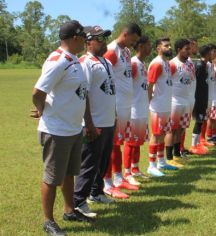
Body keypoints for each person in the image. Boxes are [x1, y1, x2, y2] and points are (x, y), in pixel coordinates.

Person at [31, 20, 93, 236]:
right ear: (75, 38)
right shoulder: (58, 61)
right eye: (83, 37)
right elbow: (38, 92)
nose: (86, 40)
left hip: (73, 128)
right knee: (52, 177)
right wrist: (42, 111)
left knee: (69, 173)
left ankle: (69, 210)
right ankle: (48, 221)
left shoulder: (73, 59)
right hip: (57, 131)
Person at [73, 25, 117, 218]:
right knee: (89, 163)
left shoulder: (105, 61)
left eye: (105, 38)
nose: (104, 42)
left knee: (103, 160)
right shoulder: (85, 62)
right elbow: (84, 94)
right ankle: (78, 201)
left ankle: (96, 192)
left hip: (108, 120)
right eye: (100, 39)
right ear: (88, 42)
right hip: (95, 122)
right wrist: (89, 123)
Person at [103, 23, 142, 196]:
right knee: (111, 145)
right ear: (125, 34)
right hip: (115, 105)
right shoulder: (111, 51)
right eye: (133, 39)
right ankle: (107, 182)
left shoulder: (125, 52)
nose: (134, 43)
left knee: (118, 143)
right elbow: (102, 78)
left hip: (126, 105)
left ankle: (119, 178)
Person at [125, 35, 152, 185]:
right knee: (131, 142)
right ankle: (127, 172)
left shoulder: (142, 64)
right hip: (133, 110)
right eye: (148, 45)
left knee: (138, 142)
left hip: (142, 108)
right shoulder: (133, 64)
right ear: (140, 46)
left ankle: (135, 169)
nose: (150, 48)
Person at [147, 37, 175, 177]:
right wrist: (149, 101)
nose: (169, 48)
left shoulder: (166, 63)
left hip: (166, 105)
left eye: (169, 45)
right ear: (158, 48)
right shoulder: (156, 63)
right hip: (158, 106)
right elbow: (150, 85)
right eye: (166, 46)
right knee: (156, 135)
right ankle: (151, 166)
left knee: (163, 134)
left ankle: (161, 162)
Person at [167, 38, 195, 166]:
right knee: (171, 130)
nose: (189, 51)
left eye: (189, 48)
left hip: (187, 101)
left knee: (181, 129)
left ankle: (177, 154)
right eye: (186, 49)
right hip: (175, 101)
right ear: (179, 50)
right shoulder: (172, 64)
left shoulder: (190, 63)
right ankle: (169, 157)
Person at [190, 45, 212, 154]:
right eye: (212, 52)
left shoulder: (205, 65)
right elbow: (196, 83)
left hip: (203, 97)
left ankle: (198, 144)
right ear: (207, 53)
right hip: (198, 98)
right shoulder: (199, 65)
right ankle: (194, 145)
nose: (213, 54)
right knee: (198, 121)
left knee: (201, 120)